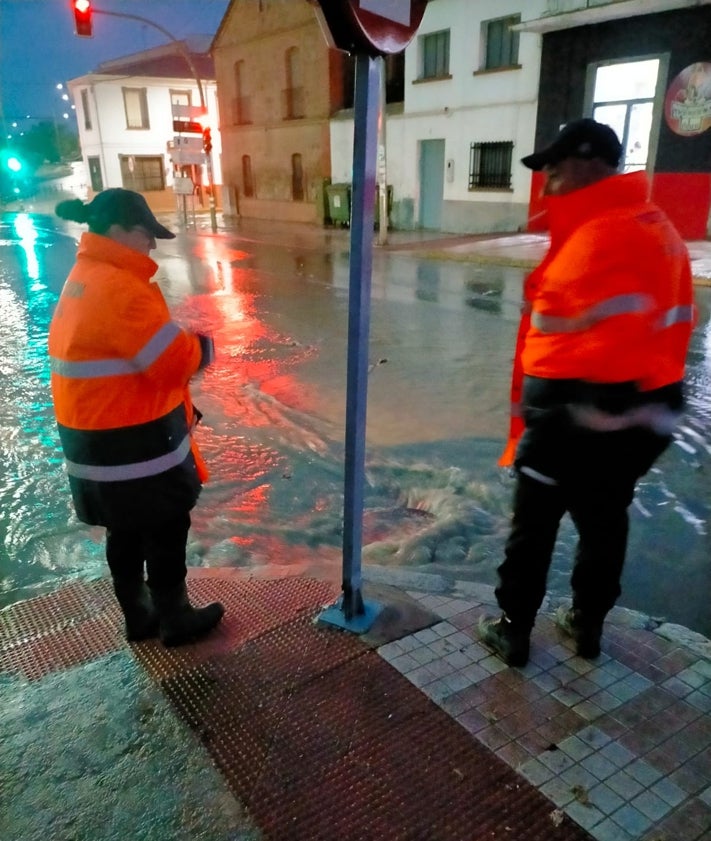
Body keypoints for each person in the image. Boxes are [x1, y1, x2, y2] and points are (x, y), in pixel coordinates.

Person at [479, 119, 696, 667]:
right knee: (604, 523)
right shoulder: (657, 226)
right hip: (645, 414)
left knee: (534, 527)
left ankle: (513, 630)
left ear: (591, 163)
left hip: (575, 414)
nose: (546, 183)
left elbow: (557, 344)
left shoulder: (600, 233)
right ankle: (586, 626)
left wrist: (540, 417)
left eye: (554, 168)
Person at [49, 188, 224, 647]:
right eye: (146, 234)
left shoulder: (84, 276)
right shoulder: (120, 288)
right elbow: (169, 362)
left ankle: (139, 615)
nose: (151, 244)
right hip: (133, 442)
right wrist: (202, 346)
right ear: (121, 229)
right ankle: (175, 618)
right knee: (167, 524)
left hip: (94, 438)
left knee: (123, 529)